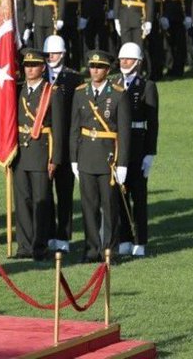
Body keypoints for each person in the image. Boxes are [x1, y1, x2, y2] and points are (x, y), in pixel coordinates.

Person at [70, 50, 132, 263]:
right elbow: (74, 128)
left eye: (99, 67)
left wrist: (122, 163)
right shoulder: (80, 92)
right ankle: (91, 249)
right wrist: (74, 158)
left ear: (107, 70)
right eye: (92, 67)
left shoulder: (118, 93)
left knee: (110, 207)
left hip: (109, 158)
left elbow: (124, 132)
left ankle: (110, 250)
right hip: (86, 155)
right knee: (88, 207)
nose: (94, 71)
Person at [13, 49, 66, 260]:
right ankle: (24, 246)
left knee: (41, 201)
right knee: (22, 201)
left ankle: (40, 246)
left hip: (42, 152)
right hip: (20, 154)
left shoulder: (51, 92)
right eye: (26, 65)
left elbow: (59, 129)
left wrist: (55, 159)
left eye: (34, 65)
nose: (29, 69)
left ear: (43, 68)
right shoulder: (18, 89)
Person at [115, 42, 158, 257]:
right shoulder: (113, 83)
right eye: (122, 59)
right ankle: (124, 237)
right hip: (119, 146)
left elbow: (153, 123)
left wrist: (150, 153)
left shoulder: (146, 86)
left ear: (138, 62)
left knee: (138, 197)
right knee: (120, 196)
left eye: (129, 59)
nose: (124, 63)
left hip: (138, 145)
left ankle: (140, 240)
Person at [44, 34, 80, 252]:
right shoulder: (40, 74)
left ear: (64, 54)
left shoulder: (74, 79)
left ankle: (64, 237)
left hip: (66, 142)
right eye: (48, 54)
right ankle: (48, 234)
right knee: (45, 192)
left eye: (56, 53)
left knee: (65, 193)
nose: (51, 58)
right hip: (44, 141)